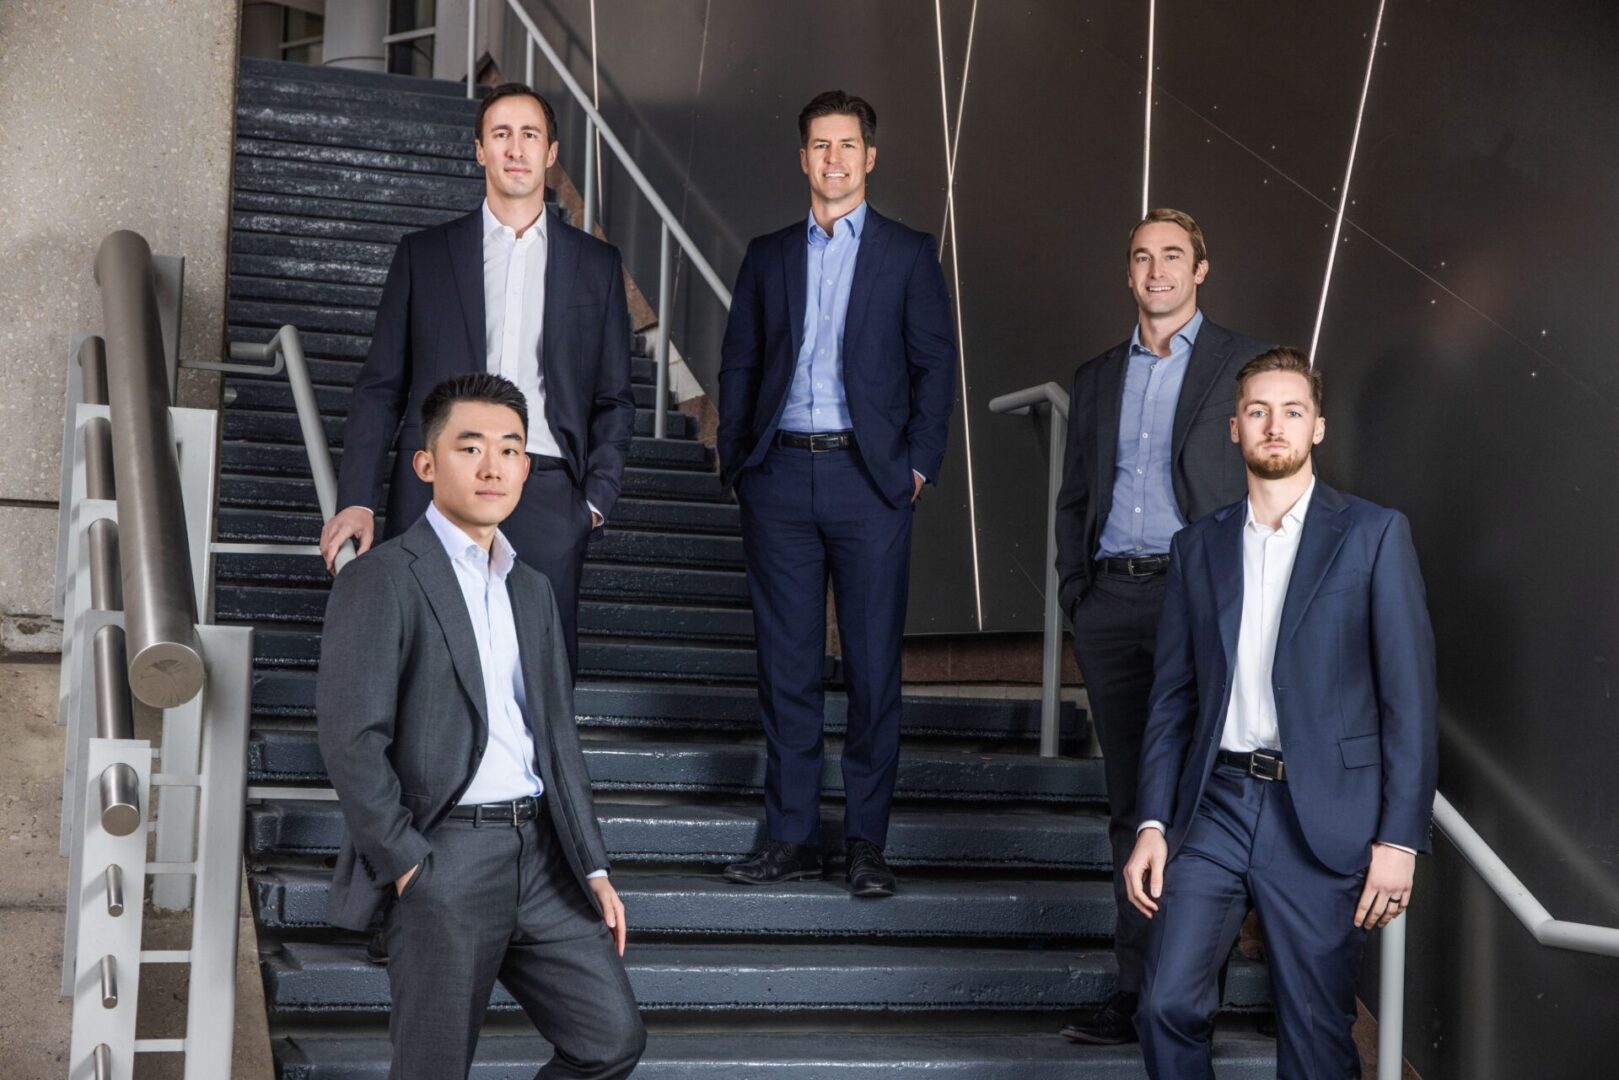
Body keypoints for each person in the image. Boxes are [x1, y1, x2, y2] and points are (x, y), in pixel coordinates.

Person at [317, 373, 645, 1080]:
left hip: (544, 859)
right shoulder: (382, 578)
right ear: (426, 464)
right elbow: (351, 740)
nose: (493, 466)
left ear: (527, 467)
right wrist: (407, 863)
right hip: (444, 858)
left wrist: (591, 865)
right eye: (470, 448)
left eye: (510, 449)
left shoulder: (532, 588)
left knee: (610, 1041)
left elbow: (556, 739)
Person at [1123, 347, 1438, 1077]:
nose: (1274, 425)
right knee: (1164, 1005)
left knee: (1315, 1036)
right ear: (1234, 427)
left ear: (1316, 427)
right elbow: (1171, 701)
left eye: (1292, 411)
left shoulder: (1372, 534)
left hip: (1321, 812)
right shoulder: (1197, 547)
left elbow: (1409, 698)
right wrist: (1151, 823)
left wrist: (1400, 837)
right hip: (1216, 807)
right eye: (1258, 410)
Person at [715, 90, 956, 898]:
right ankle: (789, 837)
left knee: (872, 669)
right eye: (820, 145)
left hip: (869, 480)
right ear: (803, 158)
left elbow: (934, 368)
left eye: (847, 145)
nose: (834, 159)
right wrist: (739, 462)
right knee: (785, 666)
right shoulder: (767, 255)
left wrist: (915, 468)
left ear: (870, 157)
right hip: (779, 476)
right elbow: (740, 362)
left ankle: (862, 843)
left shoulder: (908, 253)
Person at [319, 81, 634, 672]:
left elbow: (615, 397)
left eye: (530, 135)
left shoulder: (596, 266)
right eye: (501, 134)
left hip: (546, 493)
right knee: (428, 670)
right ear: (479, 150)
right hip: (436, 488)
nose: (516, 148)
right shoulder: (424, 255)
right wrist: (357, 498)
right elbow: (381, 387)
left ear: (551, 152)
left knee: (537, 676)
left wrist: (592, 503)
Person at [1052, 209, 1272, 1043]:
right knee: (1130, 804)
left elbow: (1269, 475)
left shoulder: (1243, 364)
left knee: (1205, 795)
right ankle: (1136, 987)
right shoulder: (1096, 376)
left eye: (1172, 256)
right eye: (1142, 257)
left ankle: (1192, 991)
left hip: (1203, 598)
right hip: (1112, 602)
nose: (1156, 271)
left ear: (1200, 270)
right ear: (1128, 272)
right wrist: (1078, 592)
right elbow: (1075, 495)